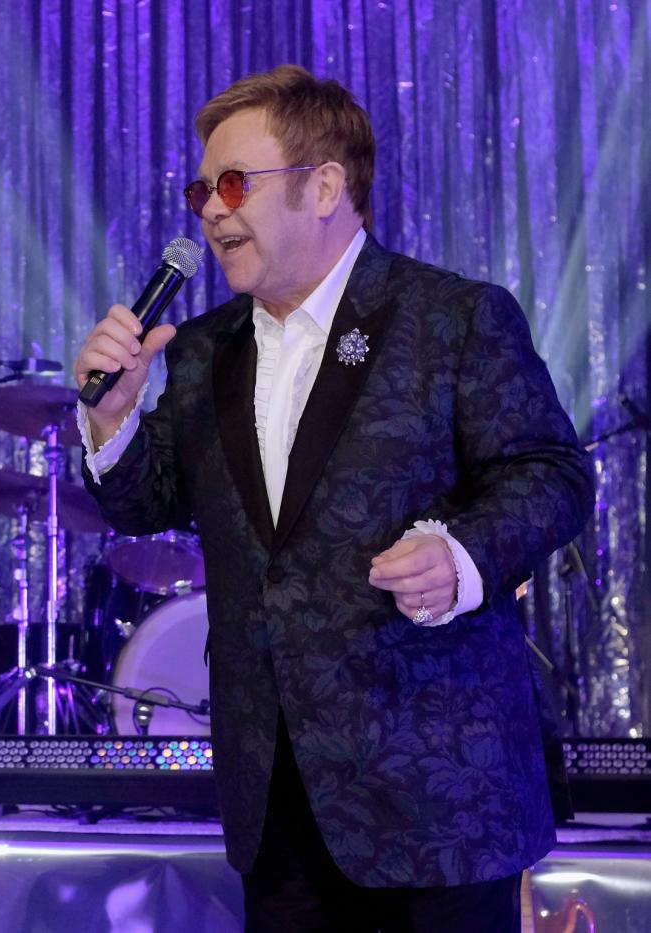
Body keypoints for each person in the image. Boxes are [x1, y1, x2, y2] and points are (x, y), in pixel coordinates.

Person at [73, 65, 592, 932]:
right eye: (202, 188)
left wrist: (462, 557)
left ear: (324, 187)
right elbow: (145, 498)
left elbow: (553, 472)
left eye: (233, 184)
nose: (208, 210)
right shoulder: (205, 349)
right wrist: (115, 417)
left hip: (438, 797)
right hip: (275, 800)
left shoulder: (451, 318)